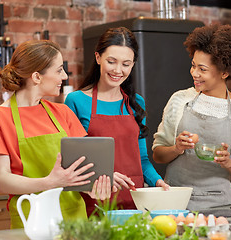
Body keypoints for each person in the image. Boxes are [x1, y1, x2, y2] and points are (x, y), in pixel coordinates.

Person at [0, 40, 111, 228]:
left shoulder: (62, 113)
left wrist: (96, 184)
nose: (64, 76)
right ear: (36, 77)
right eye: (58, 70)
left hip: (75, 221)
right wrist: (50, 182)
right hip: (31, 222)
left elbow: (81, 170)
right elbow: (3, 180)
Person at [152, 24, 231, 210]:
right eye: (193, 65)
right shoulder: (180, 100)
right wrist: (176, 148)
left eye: (202, 69)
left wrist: (229, 163)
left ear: (224, 72)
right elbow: (158, 154)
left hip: (220, 206)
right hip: (176, 203)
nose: (194, 73)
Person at [65, 27, 169, 215]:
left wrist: (157, 181)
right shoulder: (76, 101)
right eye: (111, 62)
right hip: (93, 202)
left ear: (133, 64)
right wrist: (103, 175)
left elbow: (142, 159)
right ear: (98, 58)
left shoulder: (136, 102)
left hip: (134, 203)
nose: (118, 70)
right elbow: (73, 163)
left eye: (126, 64)